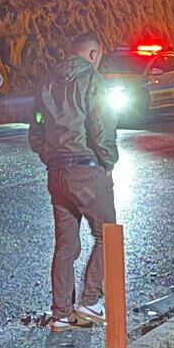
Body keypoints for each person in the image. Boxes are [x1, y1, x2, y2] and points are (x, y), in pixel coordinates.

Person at [28, 31, 118, 331]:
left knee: (65, 245)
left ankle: (61, 314)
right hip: (86, 168)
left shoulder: (47, 83)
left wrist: (49, 156)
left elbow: (37, 129)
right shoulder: (94, 82)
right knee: (108, 234)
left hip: (56, 173)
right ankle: (91, 301)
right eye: (99, 57)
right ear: (93, 54)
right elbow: (101, 128)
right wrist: (108, 162)